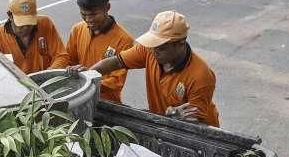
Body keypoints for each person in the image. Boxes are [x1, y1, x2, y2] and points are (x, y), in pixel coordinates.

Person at [70, 11, 220, 127]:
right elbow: (115, 62)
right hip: (163, 122)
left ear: (180, 44)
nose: (155, 51)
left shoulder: (201, 75)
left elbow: (195, 123)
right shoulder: (149, 50)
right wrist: (88, 76)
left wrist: (173, 115)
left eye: (161, 47)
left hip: (199, 136)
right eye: (153, 44)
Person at [54, 0, 135, 103]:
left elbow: (116, 82)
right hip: (78, 98)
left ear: (107, 7)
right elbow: (68, 60)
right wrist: (70, 69)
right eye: (83, 14)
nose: (88, 20)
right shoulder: (77, 29)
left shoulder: (124, 40)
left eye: (93, 14)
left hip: (105, 103)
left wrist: (86, 81)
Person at [0, 0, 67, 74]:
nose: (26, 28)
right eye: (21, 24)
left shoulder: (45, 24)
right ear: (10, 15)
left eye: (29, 23)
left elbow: (61, 56)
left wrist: (48, 74)